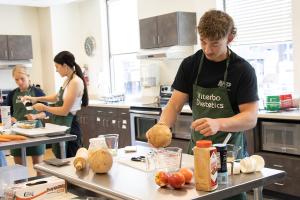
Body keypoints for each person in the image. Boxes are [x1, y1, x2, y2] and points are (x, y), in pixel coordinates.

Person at [147, 10, 259, 200]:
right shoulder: (190, 65)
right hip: (197, 153)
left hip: (229, 157)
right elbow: (174, 105)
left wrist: (218, 123)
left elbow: (250, 117)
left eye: (215, 43)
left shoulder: (242, 70)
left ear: (230, 37)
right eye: (203, 41)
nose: (207, 49)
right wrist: (161, 126)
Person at [24, 51, 88, 158]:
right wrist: (36, 99)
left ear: (65, 66)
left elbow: (64, 111)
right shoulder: (68, 80)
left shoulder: (75, 82)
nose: (56, 70)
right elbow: (57, 97)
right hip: (63, 125)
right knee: (61, 159)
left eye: (57, 67)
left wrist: (44, 107)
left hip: (71, 126)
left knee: (69, 161)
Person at [6, 65, 47, 171]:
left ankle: (40, 187)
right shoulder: (12, 94)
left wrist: (35, 116)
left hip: (36, 132)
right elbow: (7, 113)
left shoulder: (37, 92)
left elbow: (47, 112)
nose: (19, 82)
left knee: (39, 167)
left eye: (22, 79)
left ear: (28, 76)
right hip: (17, 133)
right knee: (19, 169)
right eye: (16, 79)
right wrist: (10, 119)